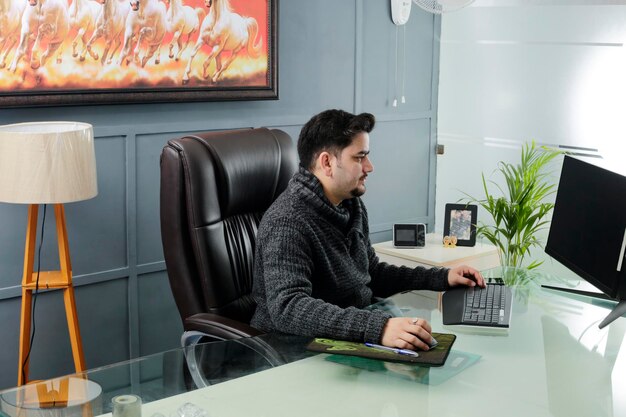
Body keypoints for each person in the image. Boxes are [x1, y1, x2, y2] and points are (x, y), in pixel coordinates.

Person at [250, 109, 485, 352]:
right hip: (295, 348)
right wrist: (378, 329)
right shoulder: (287, 222)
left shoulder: (350, 205)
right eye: (359, 157)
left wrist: (441, 277)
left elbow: (370, 272)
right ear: (327, 162)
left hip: (349, 332)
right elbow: (289, 308)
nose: (369, 167)